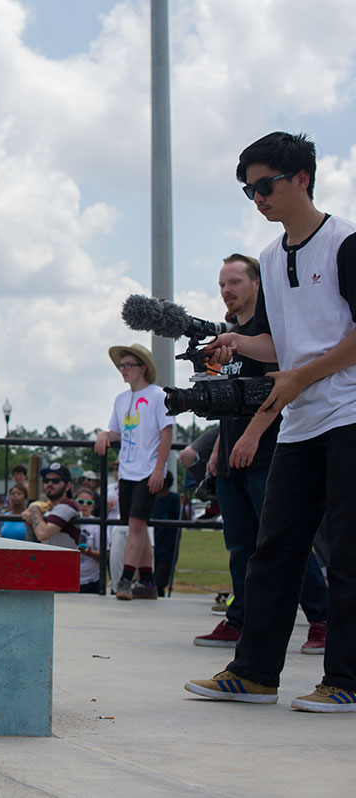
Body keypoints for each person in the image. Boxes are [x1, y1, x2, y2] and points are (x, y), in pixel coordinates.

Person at [187, 132, 356, 711]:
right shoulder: (267, 257)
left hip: (350, 414)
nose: (257, 198)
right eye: (248, 189)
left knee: (348, 553)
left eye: (266, 185)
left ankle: (346, 682)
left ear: (302, 179)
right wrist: (239, 343)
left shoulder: (346, 243)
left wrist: (300, 377)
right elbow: (283, 348)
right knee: (274, 548)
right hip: (303, 420)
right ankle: (254, 673)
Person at [193, 254, 329, 653]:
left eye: (234, 281)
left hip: (269, 451)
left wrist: (251, 436)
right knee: (240, 545)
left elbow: (279, 390)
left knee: (282, 543)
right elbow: (229, 400)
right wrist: (220, 447)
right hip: (233, 454)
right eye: (221, 284)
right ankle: (240, 618)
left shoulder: (272, 334)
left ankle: (321, 618)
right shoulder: (230, 337)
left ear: (257, 283)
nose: (227, 291)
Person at [94, 343, 173, 600]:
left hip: (148, 470)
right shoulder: (120, 399)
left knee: (137, 525)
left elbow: (167, 432)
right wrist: (105, 434)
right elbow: (118, 430)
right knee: (134, 525)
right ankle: (148, 581)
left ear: (142, 368)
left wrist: (159, 469)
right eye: (121, 365)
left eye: (128, 365)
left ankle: (126, 580)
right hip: (127, 471)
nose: (123, 370)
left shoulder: (158, 396)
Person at [22, 464, 81, 552]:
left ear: (68, 486)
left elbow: (42, 534)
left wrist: (34, 508)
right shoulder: (48, 508)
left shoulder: (69, 505)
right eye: (46, 480)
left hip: (65, 562)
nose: (49, 484)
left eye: (55, 481)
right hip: (49, 562)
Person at [72, 487, 103, 594]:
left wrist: (89, 552)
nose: (84, 505)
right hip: (69, 580)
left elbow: (106, 555)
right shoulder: (66, 521)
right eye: (80, 502)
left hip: (90, 581)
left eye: (88, 503)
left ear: (93, 506)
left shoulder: (97, 525)